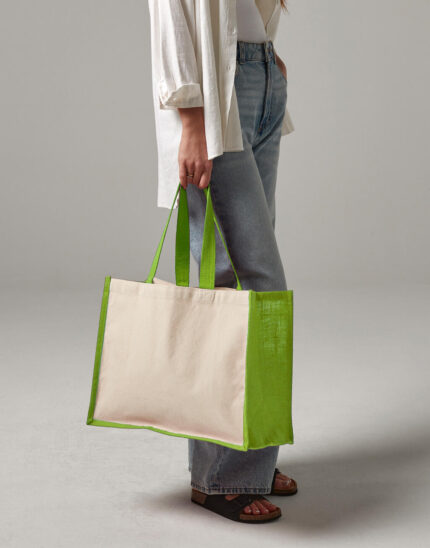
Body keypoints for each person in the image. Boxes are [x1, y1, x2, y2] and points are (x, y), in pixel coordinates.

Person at [148, 0, 297, 523]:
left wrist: (266, 58)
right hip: (213, 99)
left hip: (259, 78)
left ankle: (252, 457)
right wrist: (191, 119)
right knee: (248, 283)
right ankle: (220, 477)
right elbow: (171, 14)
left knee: (250, 292)